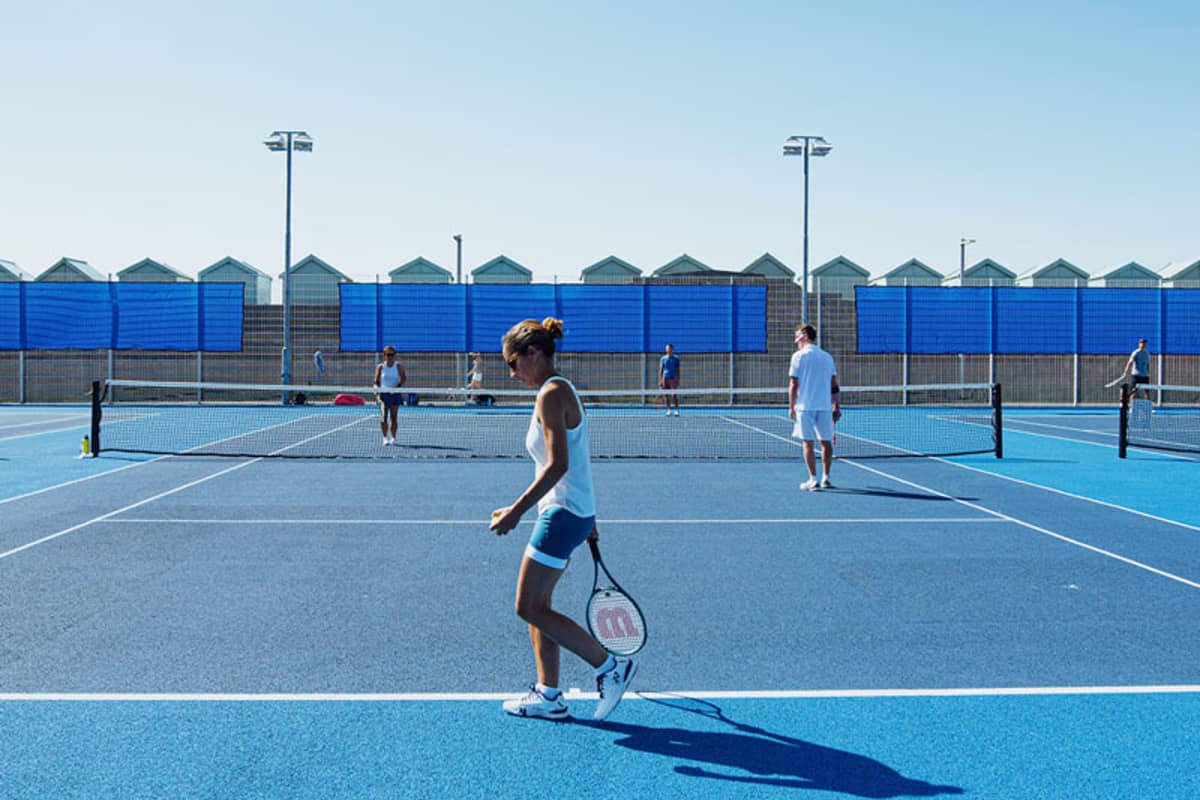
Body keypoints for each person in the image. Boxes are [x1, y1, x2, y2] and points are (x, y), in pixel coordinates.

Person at [489, 317, 636, 722]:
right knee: (540, 604)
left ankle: (611, 667)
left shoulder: (551, 394)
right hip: (571, 512)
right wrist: (589, 516)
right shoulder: (559, 390)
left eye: (513, 362)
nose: (512, 372)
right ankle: (549, 694)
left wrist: (515, 513)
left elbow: (558, 465)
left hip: (563, 514)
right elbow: (574, 463)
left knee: (527, 606)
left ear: (533, 353)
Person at [788, 324, 841, 491]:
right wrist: (836, 406)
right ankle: (826, 477)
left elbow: (793, 384)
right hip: (825, 407)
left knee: (807, 444)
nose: (795, 340)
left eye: (797, 336)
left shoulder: (798, 356)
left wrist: (791, 406)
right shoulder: (827, 357)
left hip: (805, 408)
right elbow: (834, 385)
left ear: (804, 336)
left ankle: (813, 479)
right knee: (826, 443)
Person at [374, 345, 406, 445]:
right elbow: (376, 381)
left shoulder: (398, 366)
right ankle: (385, 438)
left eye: (392, 355)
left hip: (395, 395)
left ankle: (393, 438)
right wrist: (376, 390)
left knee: (394, 417)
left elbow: (403, 378)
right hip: (384, 394)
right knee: (383, 417)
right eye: (388, 355)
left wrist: (396, 388)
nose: (390, 357)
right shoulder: (380, 367)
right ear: (384, 356)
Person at [659, 343, 681, 416]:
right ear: (666, 350)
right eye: (667, 349)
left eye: (670, 349)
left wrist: (678, 379)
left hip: (673, 378)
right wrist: (661, 380)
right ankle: (668, 410)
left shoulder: (676, 359)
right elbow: (661, 370)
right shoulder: (663, 359)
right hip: (665, 378)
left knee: (674, 395)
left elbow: (678, 370)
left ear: (672, 349)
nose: (669, 350)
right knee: (666, 395)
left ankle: (676, 410)